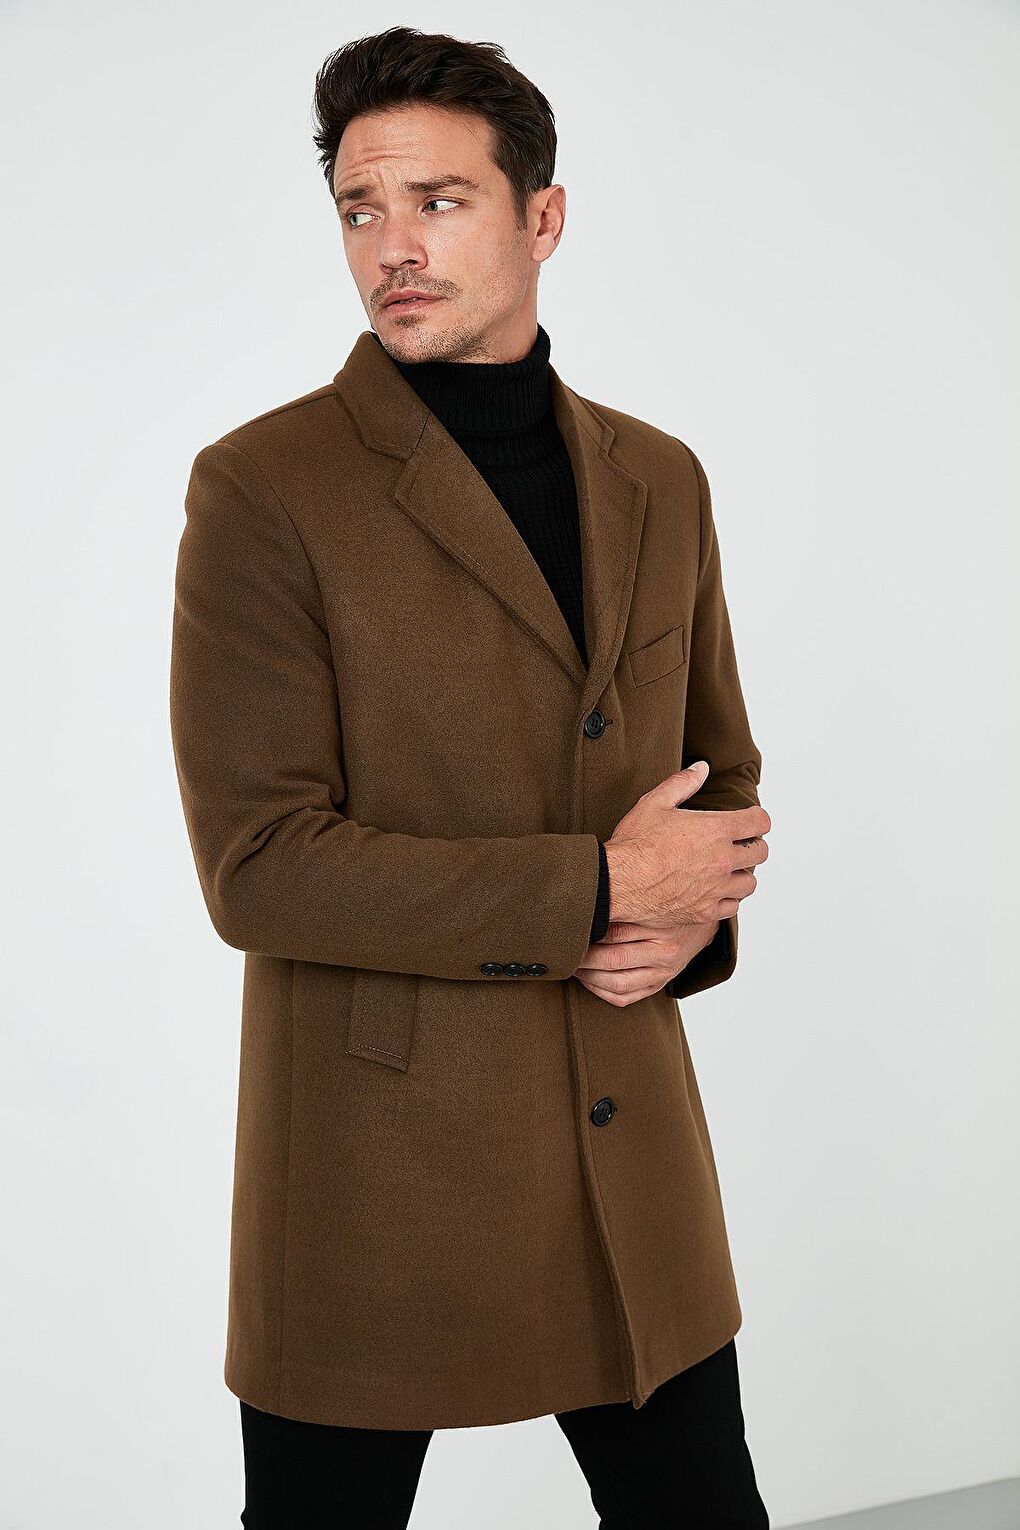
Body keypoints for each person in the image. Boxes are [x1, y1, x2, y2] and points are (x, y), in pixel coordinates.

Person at [170, 24, 771, 1527]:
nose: (394, 247)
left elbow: (722, 777)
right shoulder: (265, 488)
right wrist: (597, 888)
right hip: (382, 1174)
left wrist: (688, 916)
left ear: (541, 217)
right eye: (361, 210)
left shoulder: (660, 476)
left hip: (628, 1155)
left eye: (438, 201)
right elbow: (260, 866)